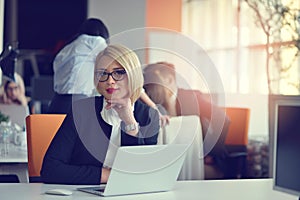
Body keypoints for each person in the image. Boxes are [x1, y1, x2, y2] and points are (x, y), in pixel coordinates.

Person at [41, 44, 160, 185]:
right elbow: (50, 169)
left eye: (118, 72)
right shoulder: (81, 111)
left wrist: (129, 122)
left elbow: (143, 173)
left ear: (132, 75)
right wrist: (107, 176)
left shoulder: (149, 116)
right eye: (103, 73)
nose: (110, 80)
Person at [143, 61, 231, 178]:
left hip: (202, 161)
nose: (149, 87)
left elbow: (222, 119)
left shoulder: (193, 97)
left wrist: (210, 152)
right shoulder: (152, 101)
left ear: (169, 80)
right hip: (170, 160)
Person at [47, 18, 110, 114]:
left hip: (57, 102)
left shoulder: (67, 47)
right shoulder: (95, 41)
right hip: (77, 103)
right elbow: (113, 62)